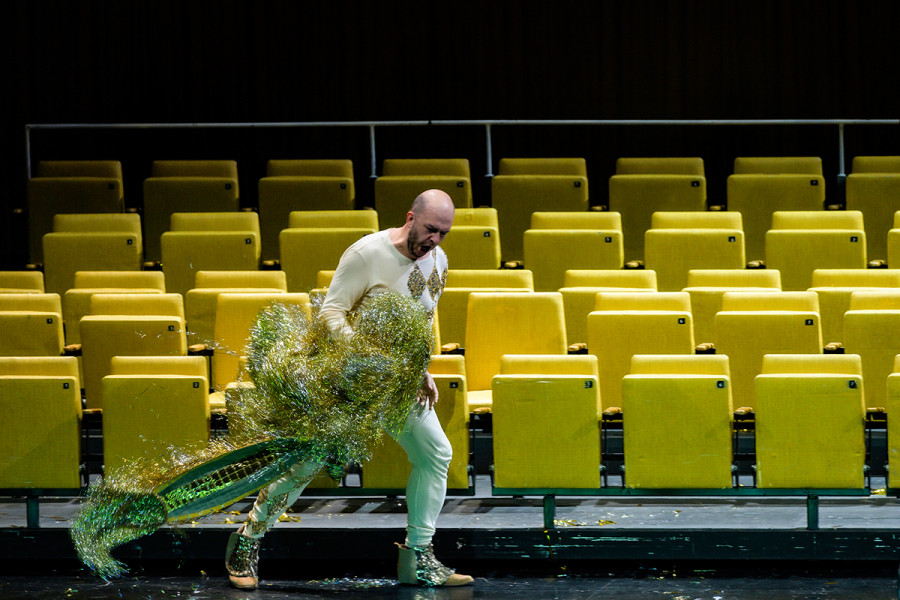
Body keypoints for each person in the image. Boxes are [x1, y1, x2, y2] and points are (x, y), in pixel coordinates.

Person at [225, 189, 474, 588]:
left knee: (435, 454)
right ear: (411, 217)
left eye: (444, 233)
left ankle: (418, 558)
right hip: (348, 383)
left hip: (397, 385)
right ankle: (247, 541)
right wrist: (365, 357)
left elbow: (422, 320)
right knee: (304, 466)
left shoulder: (439, 261)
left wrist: (419, 367)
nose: (435, 241)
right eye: (430, 229)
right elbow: (331, 313)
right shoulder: (366, 254)